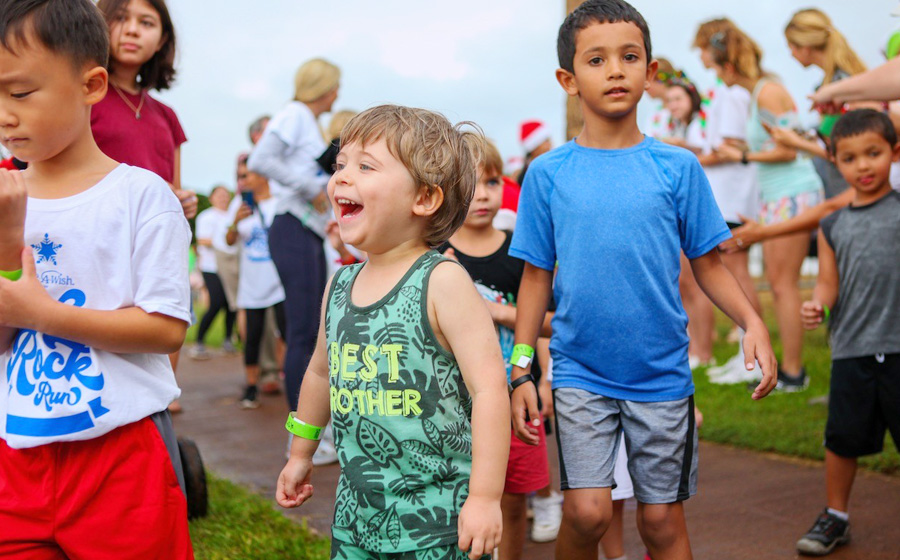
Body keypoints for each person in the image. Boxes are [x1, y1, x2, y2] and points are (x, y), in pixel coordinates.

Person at [508, 3, 778, 559]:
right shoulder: (547, 174)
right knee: (586, 513)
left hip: (662, 374)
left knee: (659, 522)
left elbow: (707, 264)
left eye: (629, 57)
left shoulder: (677, 168)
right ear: (568, 79)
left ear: (650, 72)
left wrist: (752, 321)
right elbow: (536, 277)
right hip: (581, 371)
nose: (615, 71)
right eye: (596, 59)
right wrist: (520, 369)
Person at [0, 0, 192, 557]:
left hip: (122, 455)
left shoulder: (141, 196)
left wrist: (43, 313)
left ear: (91, 85)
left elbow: (165, 330)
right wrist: (7, 243)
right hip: (18, 450)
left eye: (20, 93)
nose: (4, 114)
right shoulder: (6, 199)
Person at [275, 105, 509, 560]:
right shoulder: (339, 285)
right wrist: (301, 452)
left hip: (439, 522)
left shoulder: (440, 281)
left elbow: (489, 391)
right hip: (357, 518)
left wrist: (484, 497)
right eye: (341, 164)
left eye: (365, 166)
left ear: (424, 198)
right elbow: (321, 374)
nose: (341, 176)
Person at [440, 139, 553, 560]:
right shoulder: (434, 256)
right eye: (470, 185)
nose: (483, 194)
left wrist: (501, 313)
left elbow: (551, 323)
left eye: (491, 181)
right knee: (458, 499)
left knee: (513, 499)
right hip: (454, 404)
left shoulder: (519, 250)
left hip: (516, 396)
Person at [796, 109, 900, 556]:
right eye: (851, 157)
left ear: (894, 153)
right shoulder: (832, 225)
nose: (863, 166)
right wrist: (818, 304)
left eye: (873, 154)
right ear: (834, 161)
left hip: (898, 348)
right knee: (841, 439)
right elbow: (827, 284)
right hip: (852, 350)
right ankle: (835, 516)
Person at [93, 0, 196, 412]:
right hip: (103, 241)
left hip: (155, 243)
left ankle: (159, 399)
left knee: (164, 318)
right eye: (120, 18)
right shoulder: (85, 99)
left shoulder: (166, 115)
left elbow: (174, 183)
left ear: (163, 40)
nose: (132, 30)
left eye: (147, 22)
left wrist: (183, 200)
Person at [712, 25, 825, 392]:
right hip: (778, 198)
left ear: (729, 67)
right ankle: (787, 370)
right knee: (779, 286)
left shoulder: (769, 91)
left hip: (795, 193)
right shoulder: (760, 92)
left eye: (716, 69)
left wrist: (742, 155)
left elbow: (791, 148)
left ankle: (793, 372)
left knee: (783, 285)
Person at [718, 9, 873, 254]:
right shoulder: (830, 85)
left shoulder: (841, 87)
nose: (790, 53)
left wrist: (789, 143)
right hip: (839, 189)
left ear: (805, 46)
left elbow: (848, 150)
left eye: (791, 46)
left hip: (851, 191)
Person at [247, 57, 338, 419]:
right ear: (325, 87)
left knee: (312, 329)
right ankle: (303, 425)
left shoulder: (307, 120)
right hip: (293, 227)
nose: (337, 95)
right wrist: (310, 188)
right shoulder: (296, 113)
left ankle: (310, 423)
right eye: (336, 87)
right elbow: (260, 159)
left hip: (306, 230)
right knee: (303, 330)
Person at [691, 18, 764, 384]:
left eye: (703, 49)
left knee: (738, 274)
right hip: (727, 192)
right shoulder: (725, 91)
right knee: (735, 272)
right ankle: (745, 354)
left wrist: (692, 158)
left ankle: (752, 354)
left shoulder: (734, 94)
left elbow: (731, 149)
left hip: (734, 194)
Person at [662, 76, 717, 370]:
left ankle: (704, 350)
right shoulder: (677, 127)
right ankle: (695, 347)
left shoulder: (699, 125)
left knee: (697, 284)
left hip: (697, 209)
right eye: (669, 100)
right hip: (678, 208)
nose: (672, 105)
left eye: (678, 99)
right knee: (684, 283)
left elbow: (704, 151)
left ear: (691, 100)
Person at [226, 154, 286, 410]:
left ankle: (290, 378)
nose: (242, 181)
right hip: (252, 284)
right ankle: (251, 387)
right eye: (240, 176)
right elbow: (229, 241)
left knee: (287, 333)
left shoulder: (281, 203)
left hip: (281, 283)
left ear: (262, 174)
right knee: (252, 337)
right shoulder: (238, 206)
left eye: (246, 175)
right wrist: (235, 222)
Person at [191, 185, 237, 359]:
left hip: (231, 267)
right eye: (219, 195)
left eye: (226, 195)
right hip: (211, 266)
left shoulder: (232, 216)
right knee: (216, 302)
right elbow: (201, 239)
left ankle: (227, 340)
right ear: (212, 198)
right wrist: (223, 242)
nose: (223, 198)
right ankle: (199, 342)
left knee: (230, 305)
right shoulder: (206, 216)